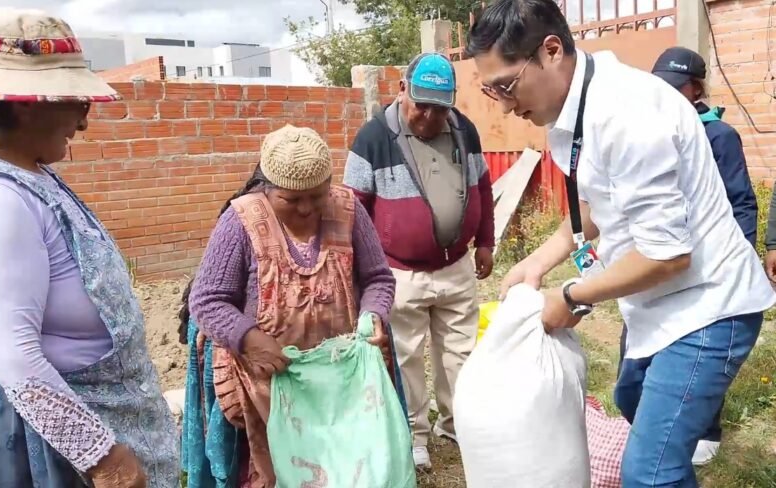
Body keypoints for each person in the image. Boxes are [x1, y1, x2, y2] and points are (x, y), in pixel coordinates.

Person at [466, 1, 775, 487]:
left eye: (506, 86)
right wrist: (538, 261)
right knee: (631, 401)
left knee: (650, 473)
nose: (504, 105)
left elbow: (667, 256)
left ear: (551, 51)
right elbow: (595, 203)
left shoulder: (628, 114)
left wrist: (570, 297)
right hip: (658, 304)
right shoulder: (575, 109)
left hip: (708, 306)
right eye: (491, 90)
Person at [0, 8, 178, 488]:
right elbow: (14, 356)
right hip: (46, 446)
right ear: (26, 104)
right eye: (75, 102)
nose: (84, 121)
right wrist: (103, 457)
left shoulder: (34, 176)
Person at [183, 124, 400, 488]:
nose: (306, 208)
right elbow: (207, 300)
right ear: (266, 189)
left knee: (346, 465)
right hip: (268, 385)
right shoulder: (240, 221)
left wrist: (373, 314)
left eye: (317, 196)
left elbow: (378, 278)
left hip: (340, 382)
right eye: (291, 199)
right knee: (278, 472)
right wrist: (249, 339)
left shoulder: (349, 210)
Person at [343, 52, 495, 470]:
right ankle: (415, 435)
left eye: (439, 108)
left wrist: (485, 241)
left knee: (460, 352)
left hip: (456, 267)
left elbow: (482, 186)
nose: (429, 116)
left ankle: (459, 424)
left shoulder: (464, 130)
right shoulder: (373, 137)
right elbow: (352, 210)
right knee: (406, 356)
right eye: (422, 104)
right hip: (399, 273)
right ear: (402, 90)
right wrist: (363, 273)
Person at [623, 46, 758, 466]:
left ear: (696, 89)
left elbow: (741, 202)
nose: (666, 95)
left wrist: (737, 260)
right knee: (636, 359)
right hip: (660, 264)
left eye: (676, 87)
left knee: (699, 356)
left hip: (708, 268)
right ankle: (654, 425)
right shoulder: (652, 129)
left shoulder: (719, 136)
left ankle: (706, 429)